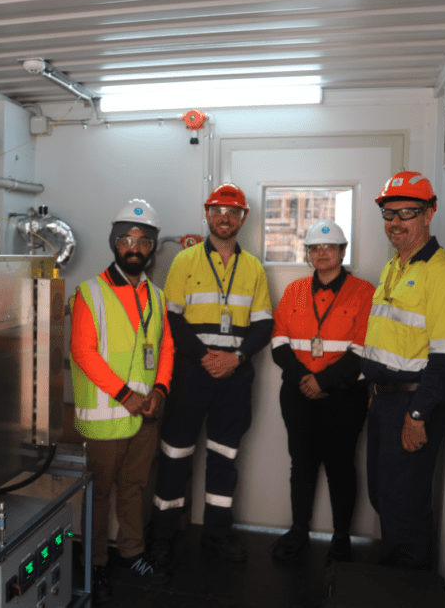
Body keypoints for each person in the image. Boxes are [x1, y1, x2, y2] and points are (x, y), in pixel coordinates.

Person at [149, 182, 274, 564]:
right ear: (207, 215)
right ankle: (163, 537)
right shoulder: (185, 261)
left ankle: (217, 534)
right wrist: (206, 356)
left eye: (232, 212)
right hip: (191, 374)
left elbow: (264, 325)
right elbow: (172, 319)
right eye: (218, 210)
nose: (225, 217)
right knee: (174, 455)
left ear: (242, 218)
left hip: (234, 378)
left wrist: (234, 358)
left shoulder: (253, 267)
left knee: (224, 457)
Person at [361, 172, 445, 570]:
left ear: (429, 213)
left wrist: (418, 414)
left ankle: (407, 585)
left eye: (408, 212)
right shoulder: (396, 266)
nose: (396, 222)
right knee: (384, 497)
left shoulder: (444, 273)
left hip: (415, 402)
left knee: (405, 503)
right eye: (390, 214)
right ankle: (394, 582)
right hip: (385, 401)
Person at [70, 199, 173, 604]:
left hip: (146, 414)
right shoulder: (90, 292)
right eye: (127, 239)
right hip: (106, 416)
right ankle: (94, 565)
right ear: (115, 244)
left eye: (143, 240)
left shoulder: (157, 296)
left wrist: (160, 391)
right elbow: (83, 351)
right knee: (99, 493)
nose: (135, 247)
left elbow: (166, 348)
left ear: (152, 247)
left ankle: (132, 553)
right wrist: (127, 395)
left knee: (135, 487)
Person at [270, 219, 374, 564]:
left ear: (342, 252)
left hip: (345, 396)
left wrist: (323, 381)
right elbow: (279, 343)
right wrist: (305, 378)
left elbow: (362, 350)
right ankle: (299, 530)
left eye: (329, 248)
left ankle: (341, 536)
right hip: (298, 393)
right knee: (301, 464)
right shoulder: (294, 291)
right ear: (309, 254)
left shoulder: (363, 292)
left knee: (341, 465)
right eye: (315, 248)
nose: (322, 254)